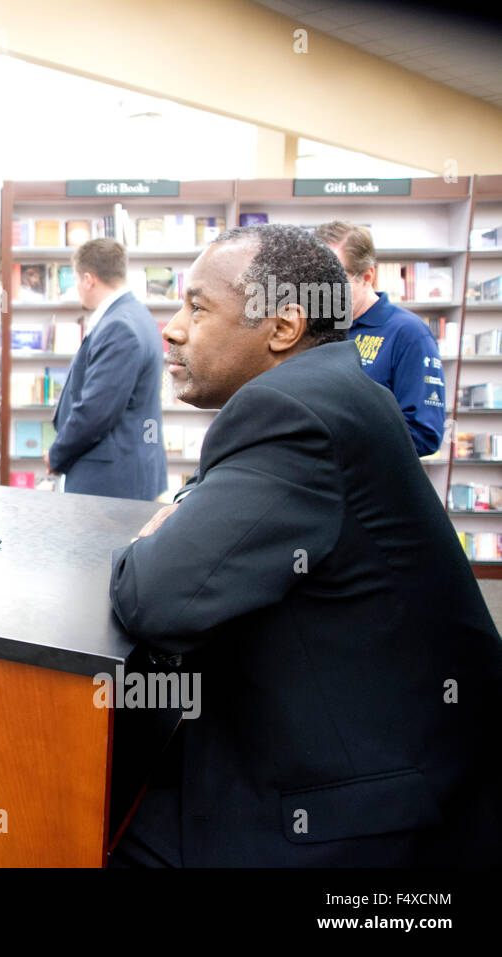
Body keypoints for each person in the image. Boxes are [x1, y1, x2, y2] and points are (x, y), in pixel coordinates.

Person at [109, 223, 502, 867]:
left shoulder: (291, 411)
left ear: (284, 327)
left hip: (360, 814)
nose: (173, 328)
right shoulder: (336, 388)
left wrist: (149, 539)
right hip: (401, 757)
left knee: (96, 828)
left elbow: (156, 598)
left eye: (197, 307)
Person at [44, 239, 165, 501]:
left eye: (75, 279)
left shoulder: (118, 326)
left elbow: (96, 412)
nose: (76, 287)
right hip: (126, 469)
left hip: (110, 480)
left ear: (88, 279)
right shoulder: (137, 316)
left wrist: (57, 454)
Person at [315, 220, 445, 457]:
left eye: (334, 279)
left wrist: (334, 443)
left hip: (368, 486)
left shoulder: (409, 334)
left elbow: (424, 434)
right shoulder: (314, 327)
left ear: (367, 276)